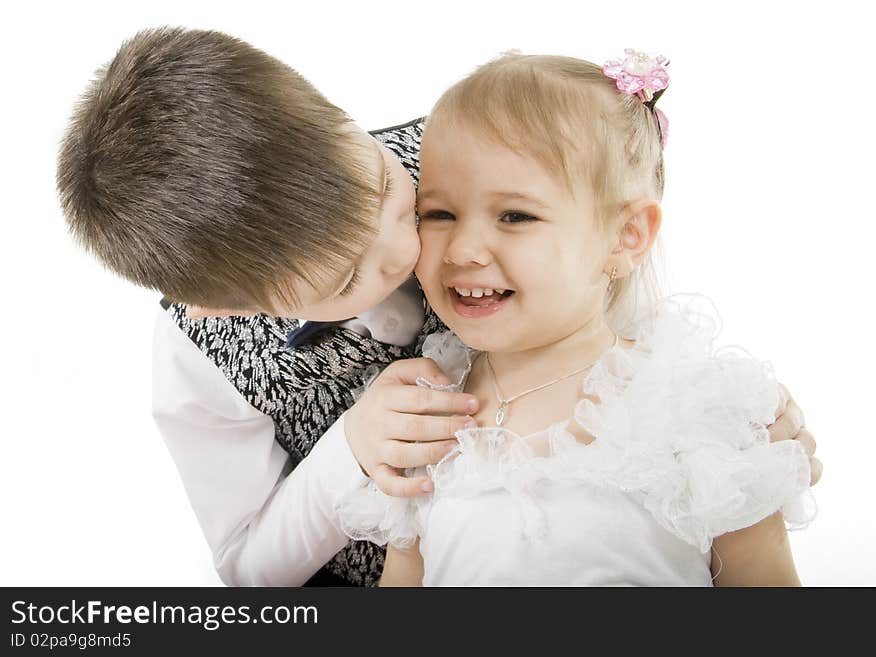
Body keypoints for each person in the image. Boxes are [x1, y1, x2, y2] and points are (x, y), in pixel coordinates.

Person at [57, 29, 819, 586]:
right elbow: (250, 572)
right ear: (227, 307)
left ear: (339, 118)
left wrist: (730, 422)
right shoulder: (198, 355)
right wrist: (353, 449)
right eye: (348, 271)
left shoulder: (463, 152)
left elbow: (607, 257)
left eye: (392, 192)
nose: (407, 248)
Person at [339, 51, 817, 586]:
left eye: (515, 216)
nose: (465, 249)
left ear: (626, 235)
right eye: (440, 213)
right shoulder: (426, 418)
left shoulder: (691, 409)